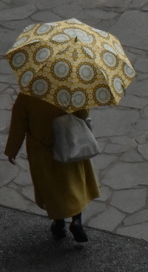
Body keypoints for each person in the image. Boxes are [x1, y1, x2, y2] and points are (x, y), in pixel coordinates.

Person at [4, 93, 100, 243]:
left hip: (42, 151)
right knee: (75, 183)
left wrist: (12, 150)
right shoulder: (71, 91)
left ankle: (59, 223)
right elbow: (82, 115)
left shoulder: (27, 95)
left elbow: (18, 124)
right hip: (69, 145)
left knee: (51, 188)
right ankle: (76, 221)